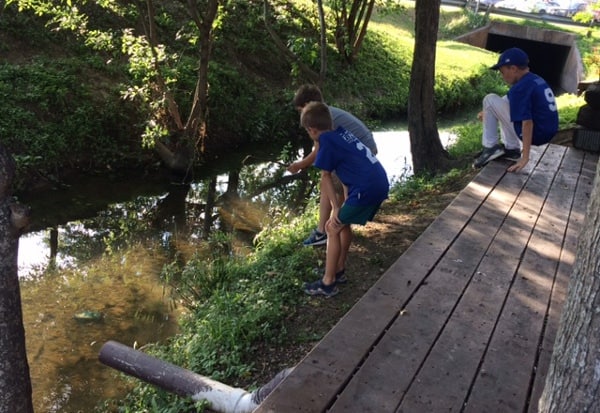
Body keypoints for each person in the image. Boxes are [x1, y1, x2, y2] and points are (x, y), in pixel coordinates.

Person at [299, 101, 389, 297]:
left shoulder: (326, 142)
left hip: (367, 188)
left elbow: (326, 177)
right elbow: (347, 172)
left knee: (332, 227)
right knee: (343, 225)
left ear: (312, 130)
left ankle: (327, 283)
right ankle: (338, 271)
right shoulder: (341, 133)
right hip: (378, 181)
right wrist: (345, 202)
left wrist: (335, 207)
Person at [287, 84, 378, 247]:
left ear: (308, 105)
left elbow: (318, 152)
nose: (301, 115)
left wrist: (299, 165)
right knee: (336, 186)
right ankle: (339, 225)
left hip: (360, 154)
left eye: (301, 110)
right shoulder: (326, 114)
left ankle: (322, 232)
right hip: (364, 152)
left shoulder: (322, 119)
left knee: (328, 186)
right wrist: (301, 165)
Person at [473, 47, 559, 172]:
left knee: (489, 99)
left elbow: (527, 122)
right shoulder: (534, 79)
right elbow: (506, 101)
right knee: (500, 104)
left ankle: (490, 147)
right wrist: (488, 111)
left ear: (513, 68)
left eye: (502, 72)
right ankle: (512, 150)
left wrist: (525, 158)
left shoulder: (519, 89)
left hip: (537, 135)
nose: (502, 76)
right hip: (547, 132)